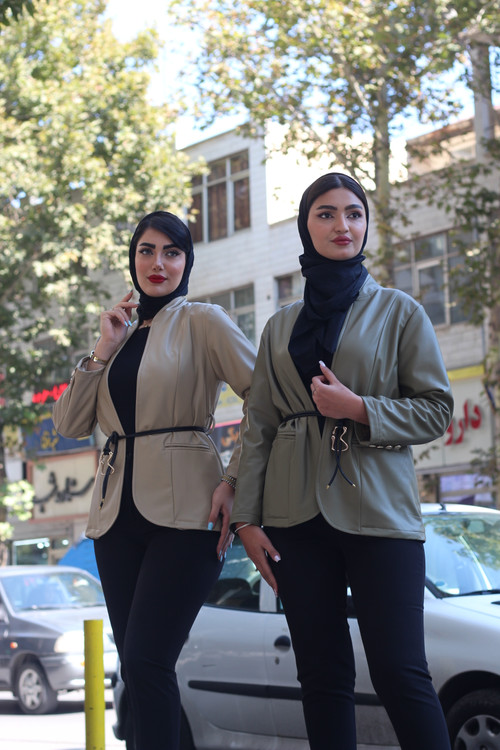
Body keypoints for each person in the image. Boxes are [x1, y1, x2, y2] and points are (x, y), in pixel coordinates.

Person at [230, 173, 454, 750]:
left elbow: (436, 410)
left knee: (400, 671)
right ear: (306, 226)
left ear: (366, 225)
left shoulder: (399, 311)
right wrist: (246, 519)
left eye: (354, 213)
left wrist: (359, 408)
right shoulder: (280, 325)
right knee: (321, 675)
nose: (342, 225)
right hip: (294, 518)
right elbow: (258, 425)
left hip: (380, 513)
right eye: (326, 214)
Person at [52, 211, 256, 750]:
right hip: (115, 517)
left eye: (172, 252)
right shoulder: (118, 336)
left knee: (148, 660)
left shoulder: (204, 321)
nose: (158, 263)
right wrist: (103, 348)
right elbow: (69, 424)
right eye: (146, 251)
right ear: (133, 259)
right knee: (136, 670)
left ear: (187, 261)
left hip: (189, 511)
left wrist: (235, 479)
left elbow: (266, 398)